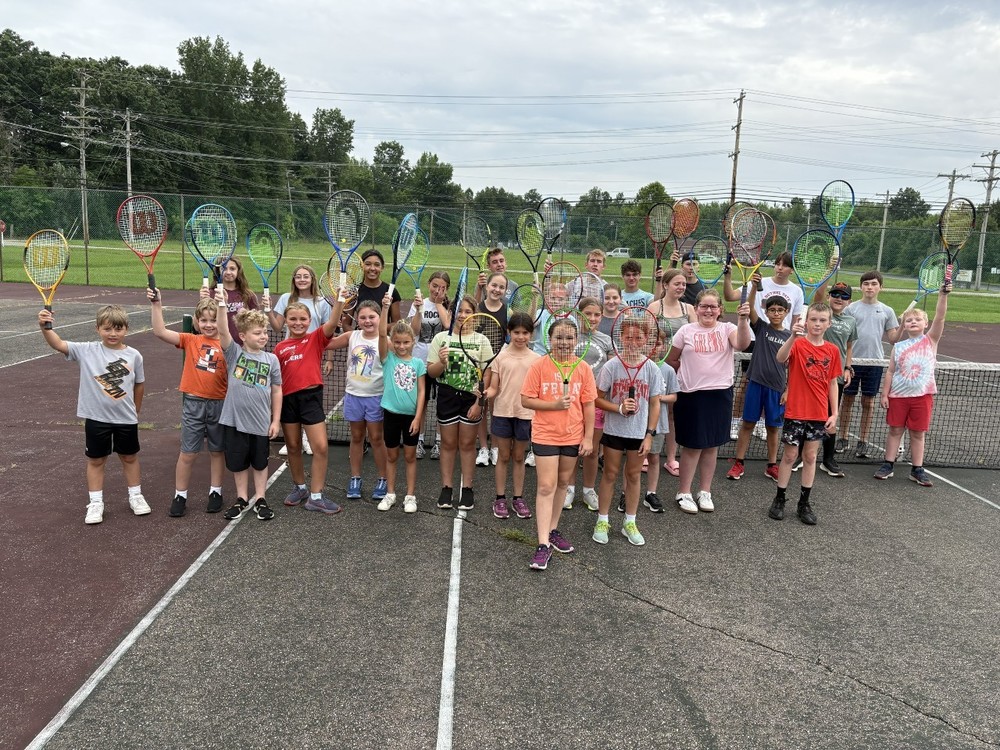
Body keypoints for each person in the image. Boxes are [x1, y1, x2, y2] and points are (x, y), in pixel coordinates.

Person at [38, 304, 149, 525]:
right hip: (96, 419)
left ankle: (136, 496)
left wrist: (136, 410)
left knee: (129, 457)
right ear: (97, 329)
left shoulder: (134, 355)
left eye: (118, 329)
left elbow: (139, 385)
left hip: (125, 419)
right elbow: (58, 344)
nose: (113, 334)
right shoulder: (86, 350)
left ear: (126, 329)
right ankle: (96, 503)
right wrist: (45, 328)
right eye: (107, 329)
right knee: (96, 460)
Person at [665, 289, 751, 515]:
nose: (708, 310)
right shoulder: (686, 331)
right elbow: (672, 359)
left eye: (713, 307)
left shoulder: (729, 329)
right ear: (696, 308)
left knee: (711, 446)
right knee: (692, 446)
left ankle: (705, 491)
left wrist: (743, 319)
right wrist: (685, 376)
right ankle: (683, 492)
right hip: (691, 395)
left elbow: (742, 344)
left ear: (721, 310)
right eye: (704, 306)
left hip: (719, 395)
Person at [521, 316, 597, 570]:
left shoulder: (583, 368)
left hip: (573, 436)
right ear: (549, 339)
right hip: (545, 435)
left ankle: (553, 530)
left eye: (569, 338)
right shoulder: (539, 366)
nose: (564, 342)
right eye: (558, 337)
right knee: (546, 486)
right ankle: (543, 544)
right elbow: (526, 400)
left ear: (577, 341)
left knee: (563, 483)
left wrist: (587, 437)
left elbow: (588, 405)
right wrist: (553, 405)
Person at [148, 293, 227, 517]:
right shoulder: (191, 340)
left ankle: (216, 492)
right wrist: (157, 305)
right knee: (188, 453)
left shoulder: (227, 344)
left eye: (213, 320)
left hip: (219, 404)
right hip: (193, 404)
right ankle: (180, 495)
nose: (209, 325)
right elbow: (160, 331)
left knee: (217, 451)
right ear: (196, 321)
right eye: (204, 320)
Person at [592, 314, 664, 546]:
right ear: (621, 338)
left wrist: (650, 434)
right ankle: (602, 520)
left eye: (638, 337)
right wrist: (619, 408)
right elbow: (597, 399)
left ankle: (629, 522)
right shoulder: (612, 366)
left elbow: (655, 403)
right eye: (628, 337)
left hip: (638, 434)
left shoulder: (652, 368)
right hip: (614, 431)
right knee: (610, 474)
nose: (632, 342)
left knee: (633, 476)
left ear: (646, 340)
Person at [273, 292, 346, 516]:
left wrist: (340, 301)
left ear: (310, 320)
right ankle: (300, 487)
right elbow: (276, 383)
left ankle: (316, 496)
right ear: (286, 321)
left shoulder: (316, 338)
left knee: (321, 447)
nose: (298, 323)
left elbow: (333, 322)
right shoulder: (280, 349)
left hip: (311, 399)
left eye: (302, 319)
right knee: (293, 446)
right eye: (293, 319)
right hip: (288, 401)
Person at [769, 303, 841, 525]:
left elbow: (832, 383)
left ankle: (804, 502)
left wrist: (834, 413)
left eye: (822, 320)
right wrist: (792, 335)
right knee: (790, 456)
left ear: (828, 323)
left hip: (819, 413)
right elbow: (781, 358)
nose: (817, 324)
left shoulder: (832, 350)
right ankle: (780, 498)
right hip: (796, 410)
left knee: (810, 457)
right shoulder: (798, 345)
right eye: (813, 320)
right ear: (806, 321)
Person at [873, 281, 951, 486]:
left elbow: (941, 317)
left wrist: (943, 295)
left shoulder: (931, 340)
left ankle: (917, 469)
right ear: (904, 325)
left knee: (918, 433)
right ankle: (888, 464)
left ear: (926, 324)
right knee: (895, 431)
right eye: (909, 320)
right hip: (898, 396)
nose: (913, 322)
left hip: (922, 396)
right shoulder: (898, 346)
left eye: (918, 319)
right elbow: (890, 372)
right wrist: (884, 394)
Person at [426, 295, 494, 511]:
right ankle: (447, 487)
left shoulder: (481, 341)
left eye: (467, 311)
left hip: (470, 399)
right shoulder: (440, 339)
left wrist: (479, 403)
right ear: (451, 312)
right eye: (458, 311)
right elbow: (431, 372)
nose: (462, 315)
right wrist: (442, 362)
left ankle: (467, 488)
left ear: (474, 314)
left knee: (466, 444)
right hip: (447, 396)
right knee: (447, 444)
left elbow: (487, 374)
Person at [216, 302, 282, 522]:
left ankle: (260, 498)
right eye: (257, 333)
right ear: (243, 336)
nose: (263, 336)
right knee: (238, 463)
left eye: (264, 332)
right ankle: (242, 498)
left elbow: (276, 390)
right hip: (235, 422)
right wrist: (221, 305)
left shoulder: (271, 359)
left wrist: (276, 420)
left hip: (261, 423)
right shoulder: (234, 354)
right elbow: (223, 330)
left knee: (260, 462)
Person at [325, 300, 390, 502]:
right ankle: (355, 478)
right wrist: (331, 322)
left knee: (377, 439)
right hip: (353, 396)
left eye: (372, 317)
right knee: (356, 437)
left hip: (376, 397)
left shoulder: (385, 340)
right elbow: (326, 342)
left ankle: (383, 478)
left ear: (380, 318)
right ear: (356, 320)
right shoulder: (352, 336)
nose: (367, 321)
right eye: (363, 317)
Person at [726, 283, 791, 483]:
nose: (776, 313)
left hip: (777, 388)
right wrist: (755, 286)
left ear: (786, 312)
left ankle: (772, 465)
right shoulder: (761, 327)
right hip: (755, 384)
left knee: (773, 428)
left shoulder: (790, 337)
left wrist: (788, 390)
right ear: (767, 312)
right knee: (748, 424)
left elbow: (793, 367)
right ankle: (739, 462)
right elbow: (749, 305)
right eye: (772, 310)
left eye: (780, 310)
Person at [266, 264, 331, 457]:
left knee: (308, 391)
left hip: (312, 351)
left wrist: (329, 359)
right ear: (294, 280)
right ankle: (293, 439)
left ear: (312, 279)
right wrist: (268, 310)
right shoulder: (287, 298)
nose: (302, 280)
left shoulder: (322, 302)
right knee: (289, 392)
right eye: (298, 276)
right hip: (289, 354)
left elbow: (328, 331)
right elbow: (277, 327)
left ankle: (306, 437)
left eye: (306, 276)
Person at [485, 312, 539, 521]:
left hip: (525, 415)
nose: (520, 336)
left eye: (525, 333)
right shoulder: (500, 357)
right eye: (516, 332)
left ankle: (518, 498)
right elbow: (493, 388)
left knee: (519, 457)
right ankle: (500, 498)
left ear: (531, 335)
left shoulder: (536, 360)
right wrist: (484, 393)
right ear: (509, 332)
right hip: (502, 413)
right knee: (503, 456)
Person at [840, 271, 899, 459]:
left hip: (874, 363)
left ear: (880, 287)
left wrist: (903, 325)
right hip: (852, 362)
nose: (870, 287)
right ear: (861, 287)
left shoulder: (887, 311)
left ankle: (863, 441)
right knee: (847, 401)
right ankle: (842, 437)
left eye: (874, 284)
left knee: (868, 402)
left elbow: (893, 339)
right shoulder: (851, 309)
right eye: (866, 284)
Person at [377, 294, 427, 512]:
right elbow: (380, 334)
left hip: (411, 417)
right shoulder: (388, 358)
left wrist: (418, 417)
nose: (401, 346)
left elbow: (422, 391)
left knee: (409, 456)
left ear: (412, 342)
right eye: (397, 342)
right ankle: (390, 494)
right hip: (391, 414)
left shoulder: (417, 363)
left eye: (406, 342)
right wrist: (384, 308)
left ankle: (410, 496)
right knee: (391, 455)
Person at [647, 268, 696, 476]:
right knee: (654, 408)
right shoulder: (654, 307)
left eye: (683, 284)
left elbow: (695, 337)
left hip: (681, 369)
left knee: (673, 413)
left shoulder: (688, 309)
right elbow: (648, 338)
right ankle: (650, 454)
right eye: (677, 283)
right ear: (665, 285)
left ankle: (671, 458)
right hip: (657, 367)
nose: (681, 287)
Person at [810, 281, 857, 477]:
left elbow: (848, 347)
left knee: (830, 417)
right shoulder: (822, 315)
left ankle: (827, 459)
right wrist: (825, 277)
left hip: (835, 377)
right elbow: (818, 296)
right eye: (835, 294)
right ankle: (802, 456)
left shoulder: (851, 322)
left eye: (844, 296)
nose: (839, 298)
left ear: (849, 301)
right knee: (809, 416)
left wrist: (847, 367)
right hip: (813, 374)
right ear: (829, 296)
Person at [574, 296, 614, 511]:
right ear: (579, 314)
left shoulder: (606, 341)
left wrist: (607, 402)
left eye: (597, 314)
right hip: (572, 402)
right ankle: (568, 488)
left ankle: (588, 489)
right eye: (587, 314)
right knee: (571, 448)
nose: (592, 318)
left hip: (596, 402)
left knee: (591, 449)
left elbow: (610, 375)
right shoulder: (571, 337)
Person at [408, 270, 451, 460]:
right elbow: (414, 331)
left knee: (442, 403)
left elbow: (448, 325)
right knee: (421, 402)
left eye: (442, 288)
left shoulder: (448, 305)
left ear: (447, 289)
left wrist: (440, 303)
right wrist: (418, 311)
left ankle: (439, 442)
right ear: (428, 284)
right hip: (420, 361)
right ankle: (419, 439)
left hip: (441, 361)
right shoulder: (420, 303)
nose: (437, 290)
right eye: (434, 286)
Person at [641, 333, 679, 512]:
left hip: (657, 423)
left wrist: (658, 397)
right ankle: (626, 494)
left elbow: (674, 396)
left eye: (657, 344)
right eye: (649, 343)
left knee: (654, 458)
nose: (653, 348)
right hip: (636, 423)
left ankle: (651, 493)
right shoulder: (637, 367)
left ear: (663, 347)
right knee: (634, 460)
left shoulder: (668, 370)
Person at [476, 272, 509, 467]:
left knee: (496, 408)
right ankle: (483, 448)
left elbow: (523, 325)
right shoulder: (478, 308)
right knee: (482, 406)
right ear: (487, 286)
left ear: (505, 291)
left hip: (499, 365)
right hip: (480, 364)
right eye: (494, 285)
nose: (497, 290)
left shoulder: (507, 310)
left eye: (501, 287)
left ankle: (495, 447)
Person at [200, 256, 258, 342]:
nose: (228, 272)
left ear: (238, 271)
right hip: (217, 345)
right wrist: (202, 301)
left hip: (242, 346)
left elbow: (258, 323)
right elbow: (197, 326)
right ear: (218, 271)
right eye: (224, 268)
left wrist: (246, 316)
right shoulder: (211, 294)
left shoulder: (248, 295)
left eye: (232, 269)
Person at [355, 249, 402, 323]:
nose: (372, 268)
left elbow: (396, 323)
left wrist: (375, 330)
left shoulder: (390, 291)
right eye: (368, 264)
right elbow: (346, 324)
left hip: (384, 334)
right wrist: (360, 334)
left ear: (382, 267)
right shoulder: (354, 290)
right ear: (361, 266)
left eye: (377, 265)